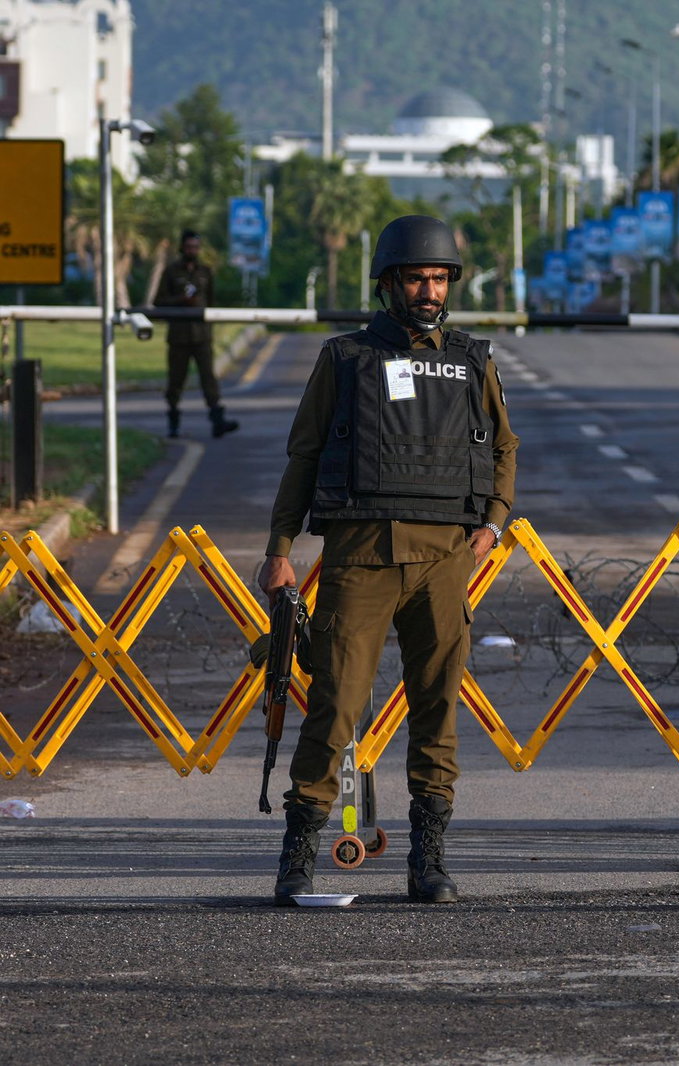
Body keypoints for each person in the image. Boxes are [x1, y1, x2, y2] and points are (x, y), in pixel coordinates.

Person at [258, 215, 519, 906]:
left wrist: (493, 523)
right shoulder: (344, 359)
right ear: (388, 284)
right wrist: (279, 551)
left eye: (438, 278)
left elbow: (502, 449)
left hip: (443, 559)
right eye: (415, 277)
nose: (428, 290)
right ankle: (297, 858)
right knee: (335, 707)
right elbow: (304, 456)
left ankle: (427, 861)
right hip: (361, 557)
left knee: (437, 712)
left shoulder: (472, 361)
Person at [152, 230, 239, 439]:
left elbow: (210, 302)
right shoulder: (172, 272)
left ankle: (217, 420)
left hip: (201, 335)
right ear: (182, 247)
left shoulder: (205, 272)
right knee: (176, 380)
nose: (192, 250)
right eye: (189, 247)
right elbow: (159, 302)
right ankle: (173, 423)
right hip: (179, 336)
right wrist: (180, 301)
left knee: (208, 378)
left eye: (195, 247)